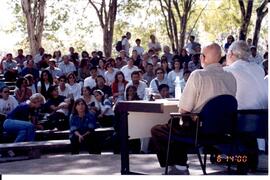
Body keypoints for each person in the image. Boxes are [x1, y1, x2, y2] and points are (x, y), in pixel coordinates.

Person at [151, 43, 237, 175]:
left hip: (199, 130)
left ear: (203, 58)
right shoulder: (230, 77)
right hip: (223, 130)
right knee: (176, 125)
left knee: (160, 129)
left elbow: (183, 110)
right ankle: (180, 165)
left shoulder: (198, 75)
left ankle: (178, 167)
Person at [224, 40, 268, 171]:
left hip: (244, 121)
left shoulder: (228, 71)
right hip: (264, 119)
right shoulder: (258, 68)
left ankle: (234, 159)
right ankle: (249, 160)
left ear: (231, 54)